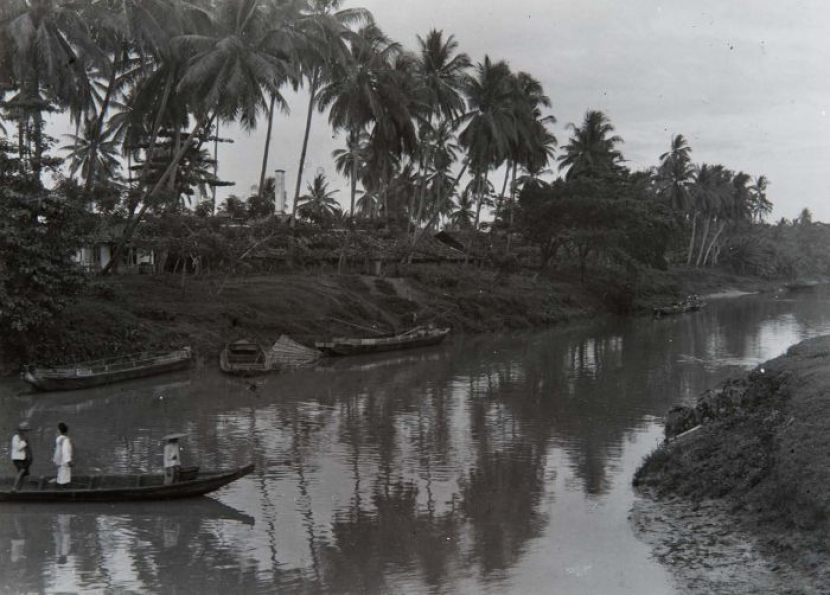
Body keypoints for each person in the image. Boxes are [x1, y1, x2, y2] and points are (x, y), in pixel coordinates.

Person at [11, 422, 32, 491]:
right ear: (21, 431)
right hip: (17, 458)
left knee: (23, 474)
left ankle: (19, 489)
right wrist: (24, 441)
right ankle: (14, 487)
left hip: (23, 458)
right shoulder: (16, 437)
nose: (26, 432)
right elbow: (17, 448)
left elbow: (27, 449)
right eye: (25, 430)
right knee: (21, 471)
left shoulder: (25, 438)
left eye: (26, 431)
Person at [52, 423, 73, 487]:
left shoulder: (59, 440)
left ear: (59, 431)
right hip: (65, 464)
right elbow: (66, 452)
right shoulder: (65, 440)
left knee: (61, 478)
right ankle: (64, 491)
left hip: (60, 463)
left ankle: (60, 488)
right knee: (64, 480)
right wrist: (69, 462)